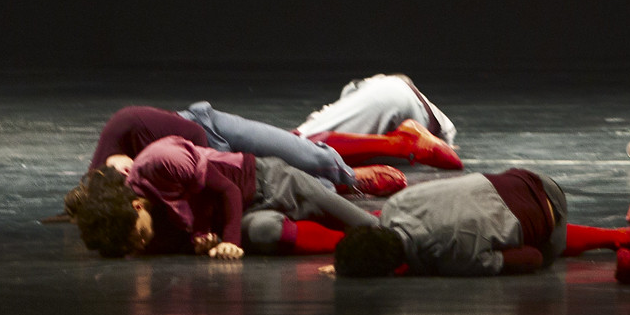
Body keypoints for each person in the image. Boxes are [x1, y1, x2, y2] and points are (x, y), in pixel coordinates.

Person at [63, 136, 380, 259]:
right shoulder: (137, 228)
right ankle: (345, 245)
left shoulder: (159, 162)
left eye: (140, 236)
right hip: (246, 215)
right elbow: (188, 236)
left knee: (371, 227)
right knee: (266, 232)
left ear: (136, 206)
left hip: (269, 183)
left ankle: (370, 230)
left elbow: (227, 190)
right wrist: (203, 243)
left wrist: (229, 241)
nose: (143, 245)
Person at [89, 102, 405, 197]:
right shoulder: (129, 186)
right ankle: (334, 186)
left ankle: (347, 174)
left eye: (125, 169)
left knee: (303, 155)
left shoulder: (125, 124)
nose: (133, 173)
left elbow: (195, 135)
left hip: (211, 130)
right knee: (285, 182)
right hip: (210, 165)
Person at [331, 169, 568, 277]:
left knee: (542, 261)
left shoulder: (453, 258)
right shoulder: (394, 205)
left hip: (553, 213)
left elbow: (533, 257)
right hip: (522, 176)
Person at [293, 74, 463, 170]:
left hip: (392, 98)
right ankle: (401, 143)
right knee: (300, 151)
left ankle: (400, 143)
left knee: (298, 151)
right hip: (424, 119)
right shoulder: (367, 92)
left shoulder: (369, 90)